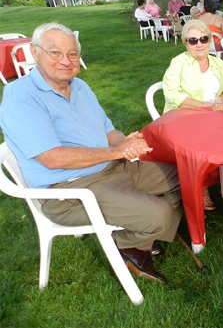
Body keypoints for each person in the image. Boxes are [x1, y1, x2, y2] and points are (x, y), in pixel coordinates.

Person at [0, 22, 183, 284]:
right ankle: (129, 245)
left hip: (112, 168)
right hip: (68, 189)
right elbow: (52, 158)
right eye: (55, 53)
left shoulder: (81, 87)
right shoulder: (21, 97)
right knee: (160, 214)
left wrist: (126, 145)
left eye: (72, 54)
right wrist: (114, 152)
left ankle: (138, 240)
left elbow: (108, 130)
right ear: (34, 52)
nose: (66, 61)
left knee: (182, 176)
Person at [162, 20, 223, 210]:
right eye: (193, 40)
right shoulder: (178, 63)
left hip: (212, 115)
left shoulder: (218, 63)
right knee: (202, 141)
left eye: (203, 39)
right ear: (186, 43)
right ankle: (203, 186)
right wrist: (202, 106)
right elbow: (172, 94)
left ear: (210, 41)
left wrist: (220, 102)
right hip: (183, 116)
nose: (199, 44)